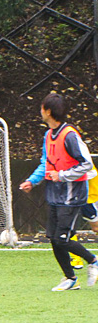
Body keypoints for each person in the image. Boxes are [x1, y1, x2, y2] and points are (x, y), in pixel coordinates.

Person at [19, 93, 98, 291]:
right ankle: (70, 279)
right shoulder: (48, 135)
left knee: (62, 238)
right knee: (54, 238)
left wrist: (62, 175)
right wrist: (32, 181)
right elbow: (46, 164)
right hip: (55, 194)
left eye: (42, 108)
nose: (40, 111)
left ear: (48, 111)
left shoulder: (70, 135)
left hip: (72, 195)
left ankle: (93, 260)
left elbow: (86, 164)